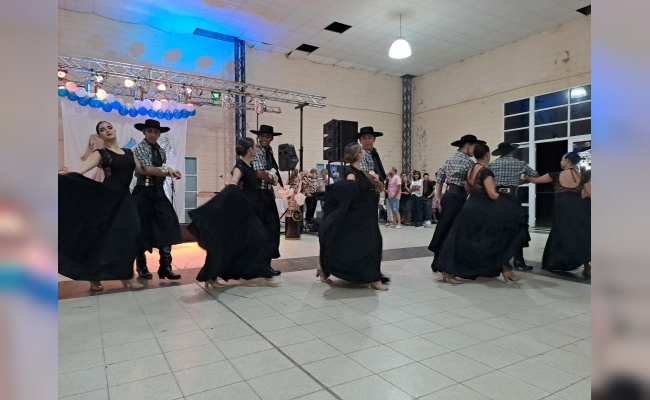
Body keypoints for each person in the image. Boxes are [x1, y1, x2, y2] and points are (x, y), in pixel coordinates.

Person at [58, 121, 144, 291]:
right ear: (100, 136)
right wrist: (64, 175)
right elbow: (79, 171)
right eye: (102, 130)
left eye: (109, 127)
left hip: (125, 200)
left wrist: (166, 169)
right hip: (107, 199)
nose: (107, 130)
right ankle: (94, 276)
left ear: (115, 130)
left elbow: (143, 170)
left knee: (131, 235)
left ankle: (126, 275)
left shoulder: (129, 153)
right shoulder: (101, 153)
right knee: (102, 238)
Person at [188, 137, 279, 287]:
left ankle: (256, 273)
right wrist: (223, 201)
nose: (257, 149)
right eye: (255, 147)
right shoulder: (240, 167)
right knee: (235, 241)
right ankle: (212, 276)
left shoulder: (249, 166)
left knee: (254, 239)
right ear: (250, 150)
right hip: (242, 210)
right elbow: (233, 184)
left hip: (250, 210)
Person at [434, 143, 522, 284]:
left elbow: (467, 189)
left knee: (463, 241)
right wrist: (507, 203)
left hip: (469, 207)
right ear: (487, 155)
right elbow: (492, 194)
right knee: (495, 239)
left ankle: (506, 270)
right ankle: (505, 270)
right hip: (483, 209)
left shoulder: (471, 169)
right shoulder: (486, 172)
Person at [317, 143, 388, 291]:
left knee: (369, 245)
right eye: (361, 150)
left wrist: (376, 182)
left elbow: (380, 187)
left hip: (367, 216)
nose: (363, 152)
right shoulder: (351, 172)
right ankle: (374, 279)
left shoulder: (362, 172)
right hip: (358, 217)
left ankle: (324, 267)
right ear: (358, 154)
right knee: (371, 245)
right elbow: (349, 186)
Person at [132, 119, 183, 280]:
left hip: (159, 192)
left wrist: (170, 172)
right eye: (150, 131)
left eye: (155, 132)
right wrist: (169, 172)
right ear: (144, 132)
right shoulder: (140, 148)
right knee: (142, 229)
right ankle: (141, 266)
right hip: (143, 193)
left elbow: (161, 168)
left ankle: (165, 266)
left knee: (168, 225)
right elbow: (147, 169)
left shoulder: (161, 150)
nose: (153, 134)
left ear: (159, 134)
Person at [527, 152, 591, 277]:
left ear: (567, 161)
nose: (560, 162)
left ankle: (559, 261)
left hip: (563, 212)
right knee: (579, 236)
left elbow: (535, 180)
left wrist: (525, 177)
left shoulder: (555, 175)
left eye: (562, 159)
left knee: (563, 235)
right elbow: (590, 194)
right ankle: (586, 265)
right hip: (579, 211)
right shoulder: (583, 176)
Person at [428, 134, 485, 272]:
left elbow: (439, 180)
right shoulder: (468, 162)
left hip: (448, 196)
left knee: (443, 228)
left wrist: (439, 198)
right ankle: (448, 263)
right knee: (455, 231)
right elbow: (469, 184)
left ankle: (437, 261)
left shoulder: (449, 159)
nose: (475, 150)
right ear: (468, 145)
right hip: (459, 197)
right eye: (474, 146)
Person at [488, 142, 539, 270]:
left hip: (497, 198)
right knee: (518, 229)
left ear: (500, 153)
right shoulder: (519, 163)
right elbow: (535, 175)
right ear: (511, 151)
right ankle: (518, 259)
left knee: (499, 229)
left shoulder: (492, 165)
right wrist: (523, 180)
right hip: (512, 198)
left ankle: (501, 259)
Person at [250, 124, 284, 276]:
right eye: (262, 136)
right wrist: (273, 178)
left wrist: (272, 179)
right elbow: (259, 173)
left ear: (271, 138)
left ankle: (264, 264)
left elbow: (268, 172)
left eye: (268, 136)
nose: (265, 138)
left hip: (266, 193)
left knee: (271, 229)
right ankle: (259, 265)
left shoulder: (268, 151)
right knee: (263, 229)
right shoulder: (257, 150)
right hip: (258, 194)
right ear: (258, 137)